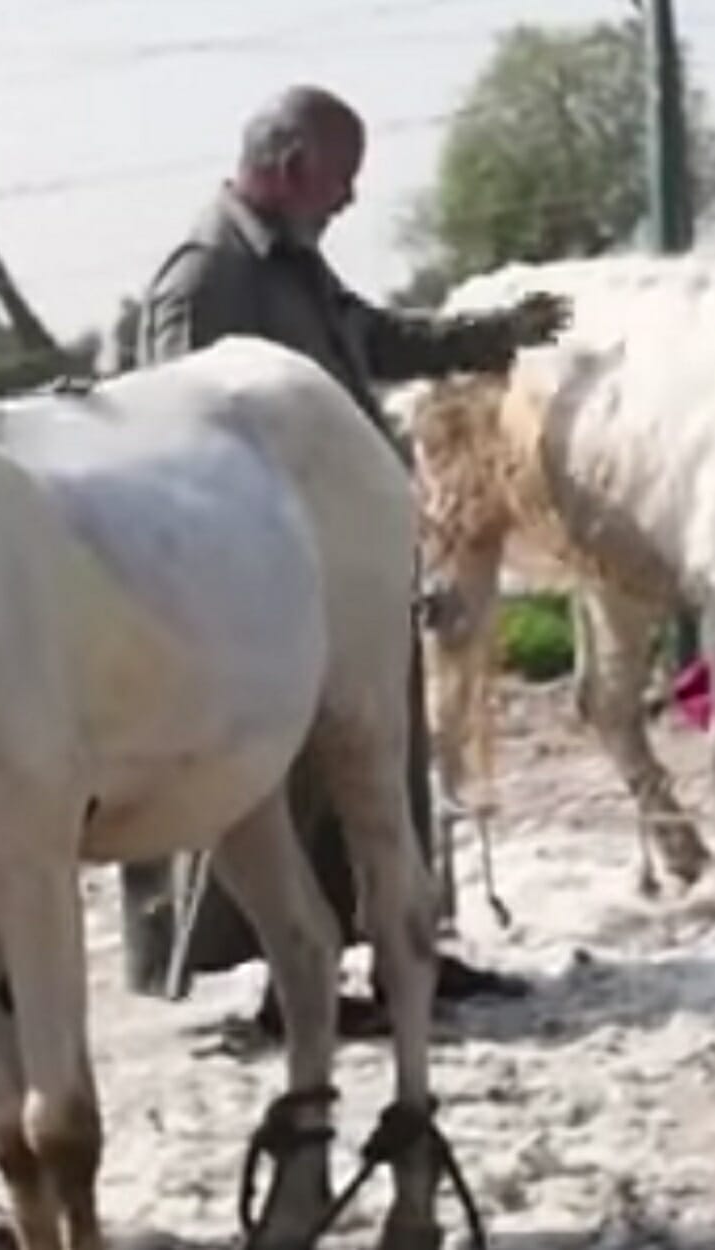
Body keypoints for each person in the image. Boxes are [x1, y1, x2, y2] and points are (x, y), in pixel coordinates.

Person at [122, 84, 569, 1036]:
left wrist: (495, 334)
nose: (350, 200)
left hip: (342, 574)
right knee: (279, 791)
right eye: (342, 179)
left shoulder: (294, 265)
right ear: (289, 171)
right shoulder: (207, 276)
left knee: (375, 772)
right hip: (263, 585)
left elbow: (375, 339)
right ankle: (298, 981)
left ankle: (399, 948)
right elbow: (171, 432)